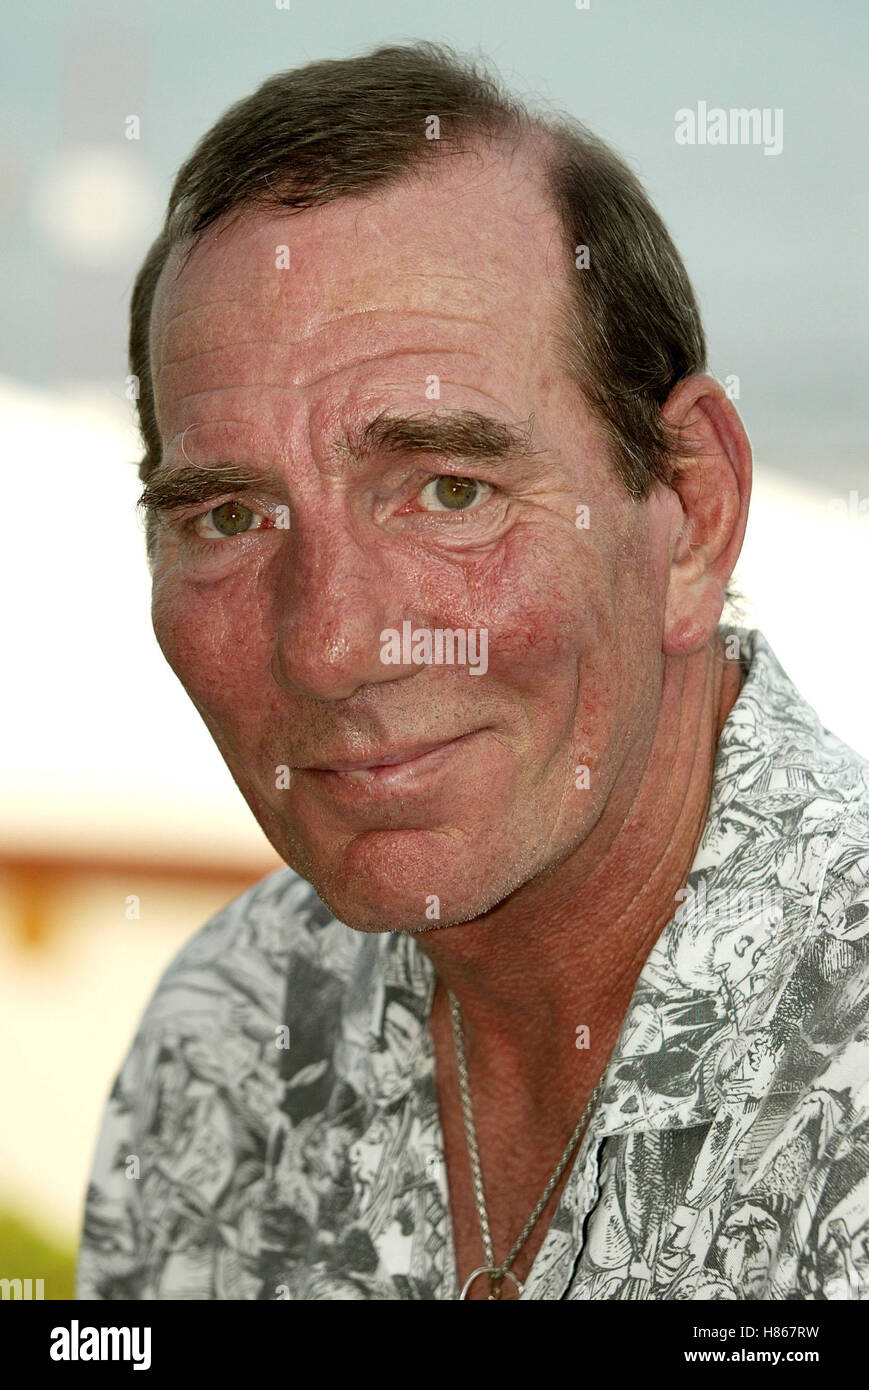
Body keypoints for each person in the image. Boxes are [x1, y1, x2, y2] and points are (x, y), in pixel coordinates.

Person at [76, 41, 869, 1301]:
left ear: (688, 515)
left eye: (449, 491)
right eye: (230, 517)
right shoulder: (226, 1033)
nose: (327, 647)